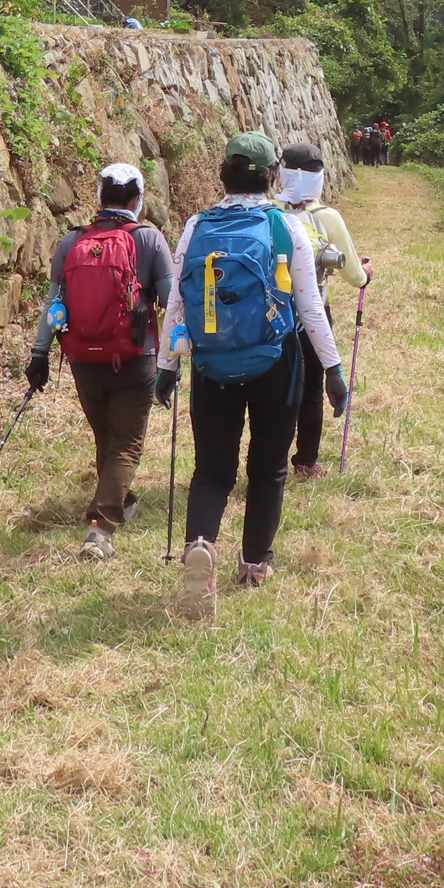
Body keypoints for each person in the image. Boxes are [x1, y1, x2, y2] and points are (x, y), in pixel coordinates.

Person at [161, 130, 346, 619]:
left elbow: (177, 302)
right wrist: (332, 368)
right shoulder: (287, 228)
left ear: (222, 173)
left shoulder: (197, 225)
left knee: (212, 470)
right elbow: (310, 306)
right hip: (275, 361)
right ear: (271, 177)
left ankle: (201, 544)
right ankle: (254, 564)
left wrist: (165, 366)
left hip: (211, 363)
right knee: (268, 468)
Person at [26, 162, 177, 561]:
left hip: (83, 359)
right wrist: (174, 357)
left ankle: (121, 501)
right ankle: (100, 529)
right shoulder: (149, 239)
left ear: (99, 195)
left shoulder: (72, 240)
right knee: (125, 445)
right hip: (135, 358)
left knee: (107, 439)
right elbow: (172, 302)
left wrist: (40, 353)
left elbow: (53, 302)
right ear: (138, 199)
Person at [275, 139, 368, 481]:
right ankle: (305, 462)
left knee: (275, 388)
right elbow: (354, 275)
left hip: (270, 314)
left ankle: (271, 459)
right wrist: (365, 276)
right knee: (312, 389)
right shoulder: (327, 217)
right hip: (313, 312)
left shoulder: (269, 212)